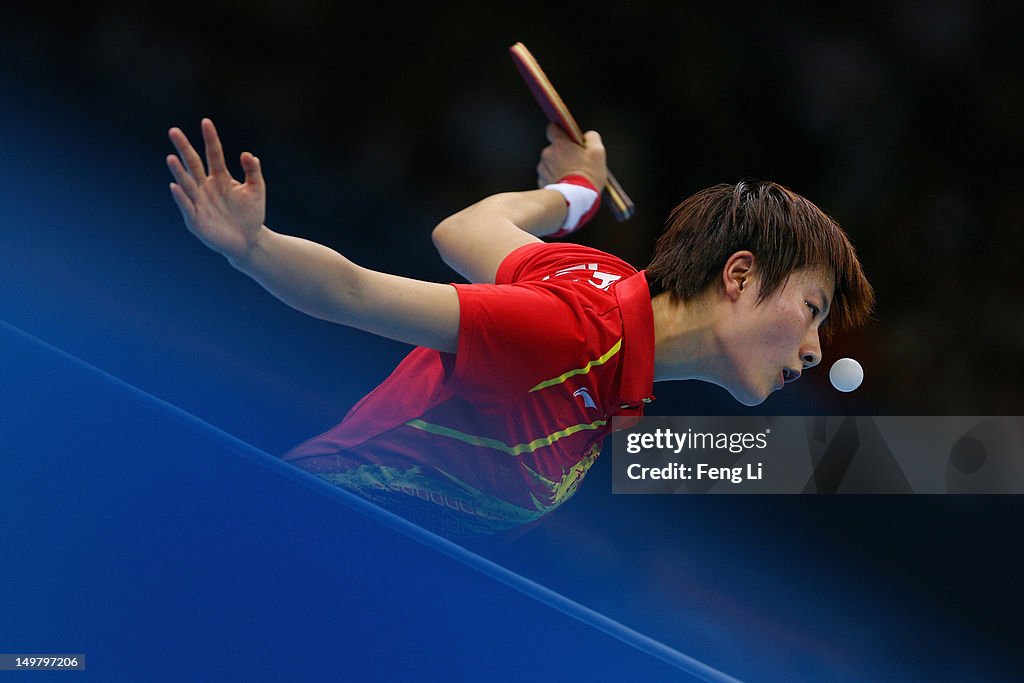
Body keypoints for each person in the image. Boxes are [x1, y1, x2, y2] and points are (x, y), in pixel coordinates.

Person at [166, 118, 874, 538]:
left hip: (366, 565)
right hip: (306, 531)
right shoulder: (573, 332)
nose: (814, 350)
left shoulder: (603, 286)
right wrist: (251, 246)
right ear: (740, 275)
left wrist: (570, 195)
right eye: (812, 310)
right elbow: (357, 290)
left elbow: (465, 230)